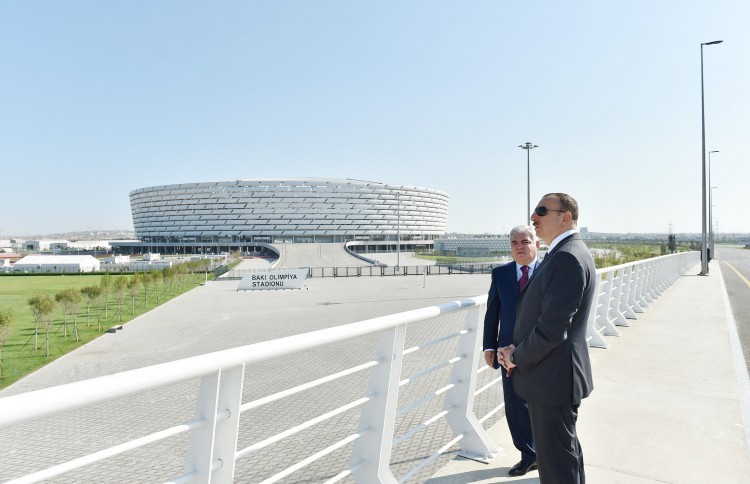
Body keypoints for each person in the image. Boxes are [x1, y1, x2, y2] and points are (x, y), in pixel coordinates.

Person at [498, 193, 596, 484]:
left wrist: (515, 356)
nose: (533, 218)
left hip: (552, 378)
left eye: (541, 211)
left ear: (565, 216)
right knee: (564, 456)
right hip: (555, 376)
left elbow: (553, 329)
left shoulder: (566, 257)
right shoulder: (566, 252)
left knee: (556, 466)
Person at [482, 226, 539, 477]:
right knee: (515, 406)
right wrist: (489, 346)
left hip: (541, 349)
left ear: (536, 243)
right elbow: (492, 311)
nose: (520, 246)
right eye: (514, 242)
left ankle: (548, 453)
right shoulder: (501, 273)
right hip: (506, 354)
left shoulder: (549, 271)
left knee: (543, 404)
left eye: (525, 241)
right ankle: (528, 455)